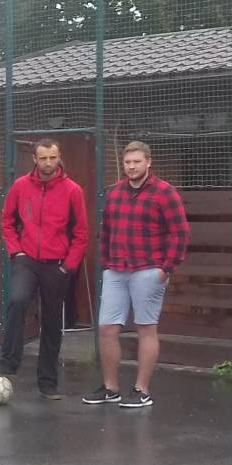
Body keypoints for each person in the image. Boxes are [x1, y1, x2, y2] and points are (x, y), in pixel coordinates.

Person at [82, 141, 189, 408]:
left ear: (148, 162)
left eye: (137, 162)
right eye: (128, 162)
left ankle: (142, 390)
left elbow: (180, 233)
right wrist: (106, 263)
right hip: (116, 269)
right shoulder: (114, 193)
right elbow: (106, 231)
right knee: (106, 328)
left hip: (148, 269)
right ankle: (111, 388)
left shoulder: (165, 192)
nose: (131, 167)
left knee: (146, 327)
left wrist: (166, 268)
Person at [0, 139, 88, 399]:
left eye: (52, 158)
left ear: (59, 157)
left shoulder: (72, 190)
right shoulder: (20, 186)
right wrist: (16, 251)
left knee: (52, 322)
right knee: (17, 299)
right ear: (34, 159)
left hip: (57, 265)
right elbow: (7, 222)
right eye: (43, 158)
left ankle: (47, 382)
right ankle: (9, 361)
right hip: (27, 260)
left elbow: (81, 234)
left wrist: (68, 266)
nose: (48, 163)